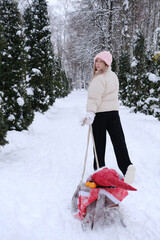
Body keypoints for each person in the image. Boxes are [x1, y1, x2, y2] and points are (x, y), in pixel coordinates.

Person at [81, 51, 135, 185]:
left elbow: (94, 98)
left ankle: (99, 170)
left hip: (99, 114)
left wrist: (90, 113)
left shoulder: (99, 78)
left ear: (107, 63)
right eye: (96, 61)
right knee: (119, 141)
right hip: (113, 113)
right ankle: (127, 166)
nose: (97, 64)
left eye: (101, 61)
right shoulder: (113, 76)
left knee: (99, 144)